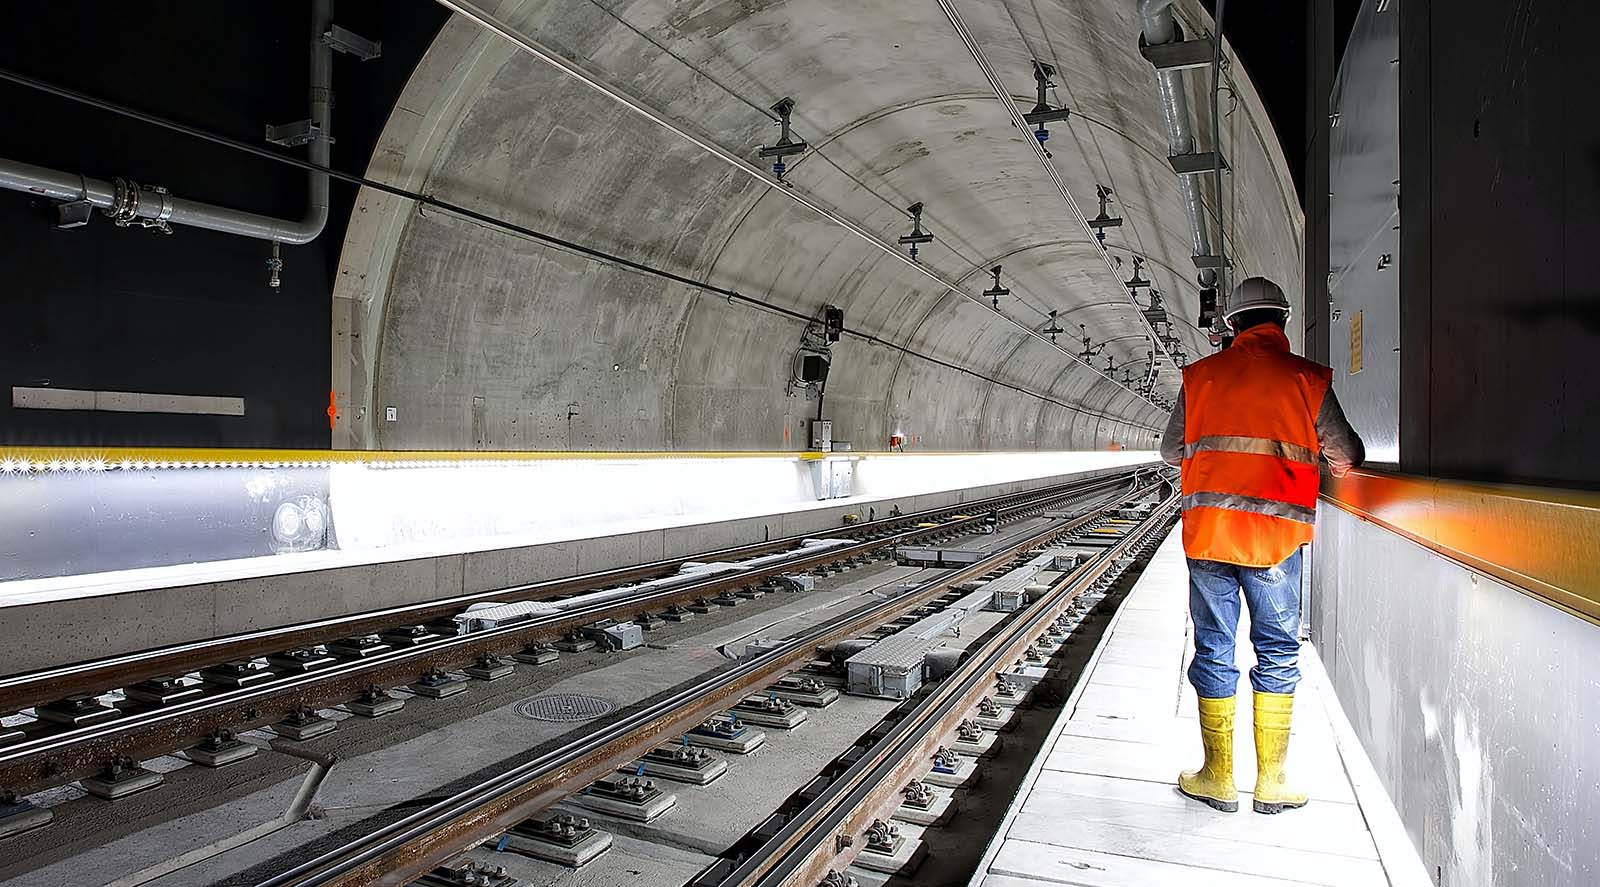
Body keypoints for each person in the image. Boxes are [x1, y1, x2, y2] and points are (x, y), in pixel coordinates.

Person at [1159, 276, 1364, 814]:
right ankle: (1272, 780)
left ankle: (1217, 776)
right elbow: (1347, 453)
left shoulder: (1199, 378)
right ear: (1283, 320)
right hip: (1275, 540)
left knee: (1214, 645)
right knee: (1276, 648)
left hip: (1209, 537)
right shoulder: (1307, 379)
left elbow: (1169, 449)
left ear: (1231, 325)